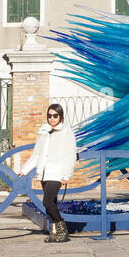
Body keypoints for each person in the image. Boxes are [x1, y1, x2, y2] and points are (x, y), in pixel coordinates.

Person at [21, 103, 77, 243]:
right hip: (44, 173)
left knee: (47, 202)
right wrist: (24, 169)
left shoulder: (67, 133)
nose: (52, 118)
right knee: (51, 203)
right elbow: (37, 155)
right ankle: (54, 234)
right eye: (49, 115)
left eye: (55, 116)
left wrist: (66, 175)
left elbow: (70, 155)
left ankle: (62, 230)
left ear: (61, 116)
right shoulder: (44, 132)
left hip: (57, 173)